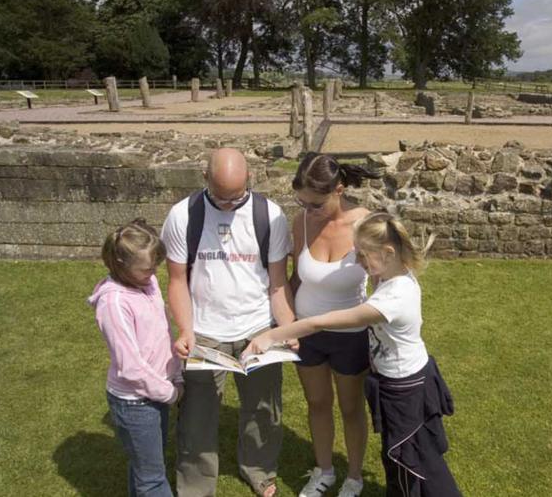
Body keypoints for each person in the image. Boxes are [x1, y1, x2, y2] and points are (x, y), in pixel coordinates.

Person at [243, 213, 462, 497]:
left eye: (362, 255)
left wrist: (271, 336)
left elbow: (321, 321)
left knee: (419, 463)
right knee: (396, 457)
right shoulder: (390, 274)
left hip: (407, 387)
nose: (358, 262)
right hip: (397, 382)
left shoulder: (393, 297)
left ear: (388, 252)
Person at [161, 148, 295, 497]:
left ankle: (259, 470)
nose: (228, 205)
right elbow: (176, 280)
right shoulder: (182, 215)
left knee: (264, 410)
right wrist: (186, 330)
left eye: (236, 197)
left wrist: (287, 328)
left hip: (258, 329)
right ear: (204, 178)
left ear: (249, 180)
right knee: (196, 417)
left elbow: (278, 283)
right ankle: (194, 487)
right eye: (221, 198)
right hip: (204, 330)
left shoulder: (270, 215)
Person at [289, 153, 379, 497]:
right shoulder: (302, 222)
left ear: (338, 190)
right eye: (301, 202)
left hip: (351, 336)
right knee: (317, 403)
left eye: (315, 204)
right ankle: (324, 471)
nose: (307, 210)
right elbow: (295, 278)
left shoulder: (367, 225)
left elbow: (389, 284)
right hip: (308, 333)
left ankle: (353, 477)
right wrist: (283, 324)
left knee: (351, 407)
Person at [88, 219, 181, 497]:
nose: (154, 272)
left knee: (145, 467)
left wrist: (174, 372)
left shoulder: (147, 282)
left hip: (154, 394)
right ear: (120, 264)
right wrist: (171, 392)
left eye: (156, 265)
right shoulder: (114, 303)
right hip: (135, 402)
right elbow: (131, 368)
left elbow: (161, 330)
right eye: (147, 268)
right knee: (152, 479)